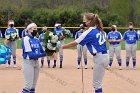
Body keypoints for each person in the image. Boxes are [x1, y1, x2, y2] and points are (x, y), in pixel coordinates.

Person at [62, 13, 109, 93]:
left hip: (99, 57)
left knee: (96, 84)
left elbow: (74, 43)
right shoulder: (99, 29)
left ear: (89, 21)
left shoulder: (89, 32)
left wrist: (61, 47)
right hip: (105, 56)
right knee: (98, 83)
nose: (83, 22)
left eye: (85, 21)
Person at [21, 23, 46, 93]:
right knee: (28, 86)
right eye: (34, 29)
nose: (36, 30)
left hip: (36, 63)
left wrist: (51, 49)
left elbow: (42, 50)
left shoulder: (36, 39)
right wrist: (44, 54)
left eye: (36, 29)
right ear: (29, 30)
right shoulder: (26, 39)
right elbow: (31, 55)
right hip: (28, 62)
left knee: (33, 86)